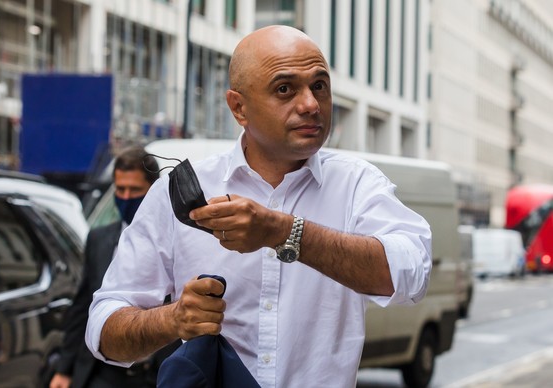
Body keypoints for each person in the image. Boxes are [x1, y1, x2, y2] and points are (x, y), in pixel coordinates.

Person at [85, 25, 432, 387]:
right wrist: (173, 319)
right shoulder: (177, 193)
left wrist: (284, 232)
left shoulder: (357, 184)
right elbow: (103, 331)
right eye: (285, 89)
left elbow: (412, 273)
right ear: (239, 107)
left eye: (319, 85)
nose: (311, 104)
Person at [50, 146, 165, 388]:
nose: (125, 197)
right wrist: (64, 369)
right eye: (120, 189)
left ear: (154, 190)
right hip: (103, 373)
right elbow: (83, 306)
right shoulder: (99, 238)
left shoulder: (175, 239)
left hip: (155, 374)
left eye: (134, 190)